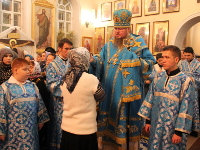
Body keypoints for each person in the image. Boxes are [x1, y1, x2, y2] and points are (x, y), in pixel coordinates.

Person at [89, 9, 155, 149]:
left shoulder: (137, 43)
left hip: (127, 94)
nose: (117, 31)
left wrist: (134, 60)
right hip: (108, 93)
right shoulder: (108, 45)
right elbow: (100, 61)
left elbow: (150, 62)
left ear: (128, 28)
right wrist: (93, 61)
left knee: (126, 125)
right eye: (116, 28)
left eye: (120, 29)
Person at [138, 45, 200, 150]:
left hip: (173, 130)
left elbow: (186, 109)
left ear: (176, 59)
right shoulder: (158, 77)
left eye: (167, 57)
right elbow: (150, 99)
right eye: (162, 57)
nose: (163, 60)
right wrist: (148, 121)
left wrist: (179, 132)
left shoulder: (185, 81)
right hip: (156, 125)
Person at [60, 47, 105, 150]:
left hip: (67, 129)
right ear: (84, 60)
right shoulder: (91, 79)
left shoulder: (64, 78)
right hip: (85, 130)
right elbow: (101, 97)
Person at [0, 58, 49, 149]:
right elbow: (1, 110)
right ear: (15, 70)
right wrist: (1, 131)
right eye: (25, 69)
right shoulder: (5, 88)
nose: (28, 72)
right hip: (12, 132)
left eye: (29, 69)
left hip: (31, 128)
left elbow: (40, 103)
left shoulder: (32, 85)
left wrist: (41, 119)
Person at [46, 38, 73, 149]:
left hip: (72, 102)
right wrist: (65, 84)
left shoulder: (73, 64)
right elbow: (50, 85)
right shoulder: (52, 65)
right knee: (59, 127)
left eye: (71, 49)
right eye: (66, 49)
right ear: (59, 48)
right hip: (59, 103)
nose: (69, 51)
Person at [179, 47, 200, 137]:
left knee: (192, 108)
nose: (187, 57)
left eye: (189, 55)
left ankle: (193, 129)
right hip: (183, 89)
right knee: (184, 108)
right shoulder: (182, 63)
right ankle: (183, 127)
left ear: (193, 55)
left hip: (193, 90)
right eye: (185, 55)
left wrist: (192, 79)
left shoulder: (198, 64)